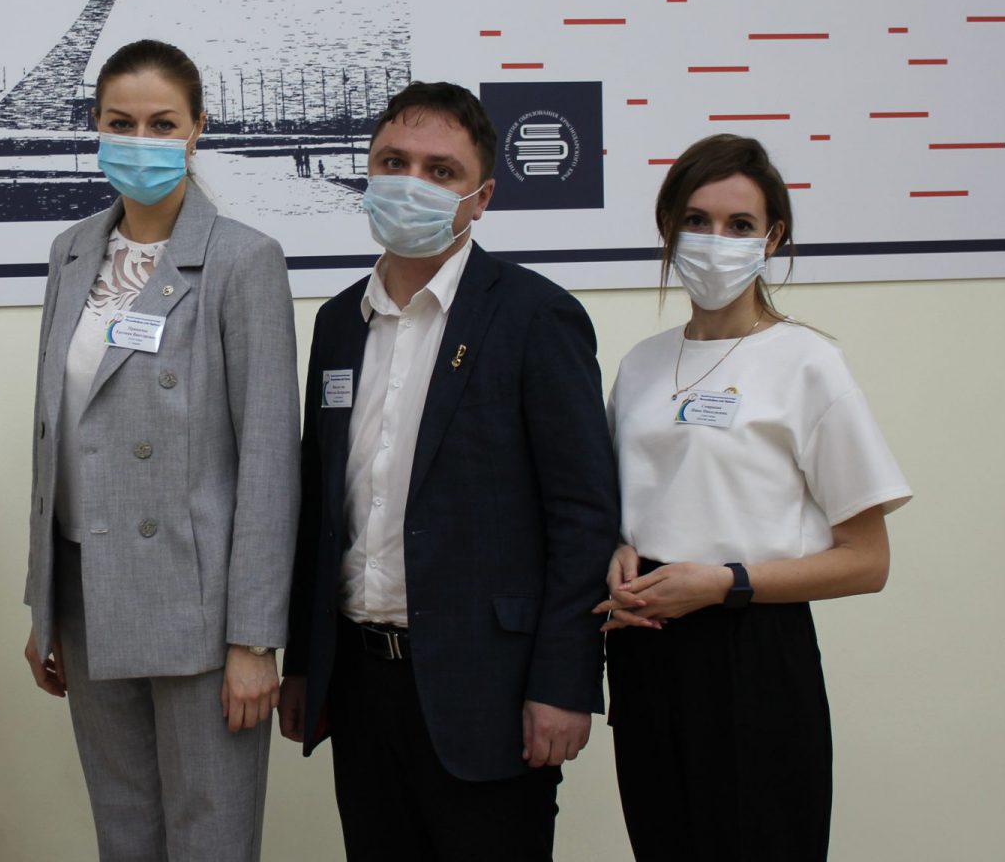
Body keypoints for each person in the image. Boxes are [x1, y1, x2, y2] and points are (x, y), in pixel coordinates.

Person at [280, 82, 620, 861]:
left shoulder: (535, 316)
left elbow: (583, 516)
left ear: (481, 196)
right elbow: (319, 504)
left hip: (490, 692)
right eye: (393, 162)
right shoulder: (337, 324)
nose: (412, 183)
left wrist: (565, 682)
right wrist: (305, 664)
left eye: (440, 171)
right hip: (360, 687)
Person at [595, 134, 910, 860]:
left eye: (740, 225)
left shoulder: (808, 364)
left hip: (752, 648)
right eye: (696, 221)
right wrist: (615, 550)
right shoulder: (641, 365)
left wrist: (725, 584)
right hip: (647, 651)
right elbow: (628, 507)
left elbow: (867, 561)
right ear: (668, 229)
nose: (716, 241)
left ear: (772, 239)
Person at [23, 38, 300, 861]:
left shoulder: (243, 259)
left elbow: (269, 461)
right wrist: (45, 606)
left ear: (196, 129)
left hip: (200, 609)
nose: (139, 140)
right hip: (87, 587)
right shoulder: (72, 252)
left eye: (161, 123)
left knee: (210, 837)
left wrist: (254, 639)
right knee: (124, 835)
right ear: (95, 126)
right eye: (120, 123)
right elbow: (56, 435)